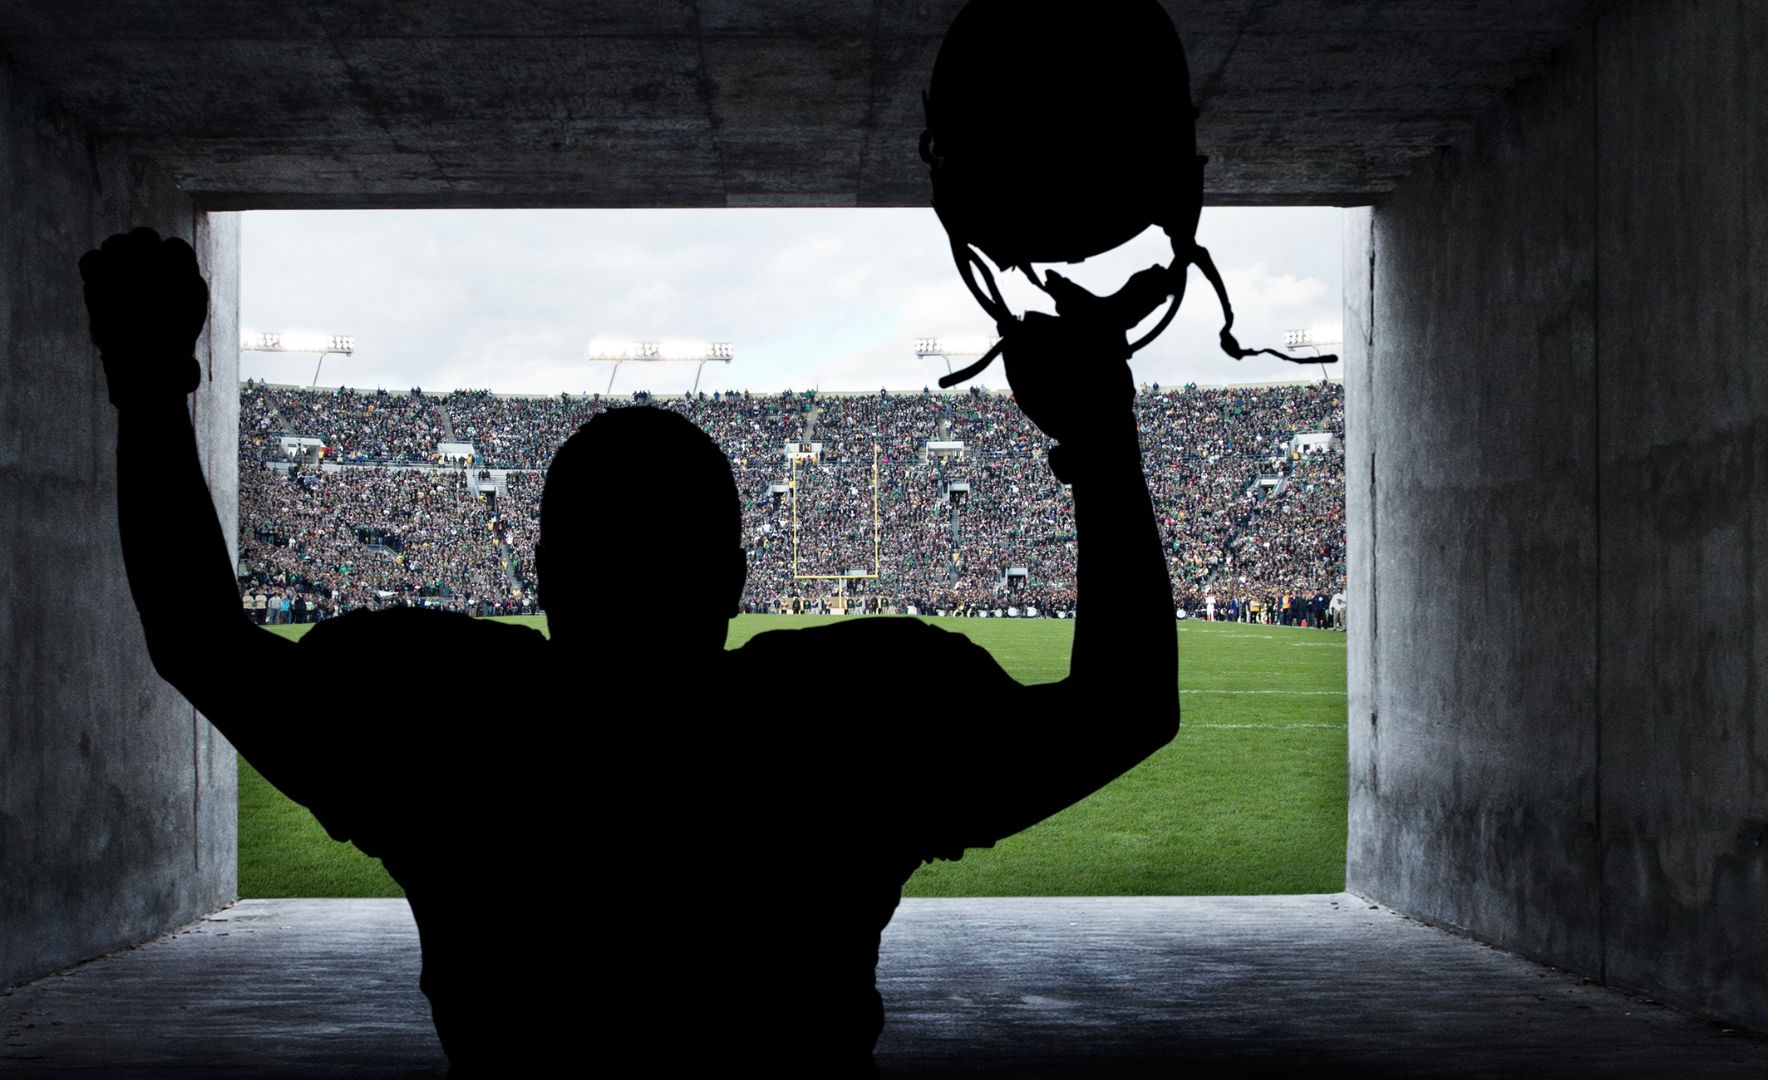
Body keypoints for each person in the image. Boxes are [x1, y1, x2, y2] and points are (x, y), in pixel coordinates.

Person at [82, 228, 1178, 1074]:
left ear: (544, 576)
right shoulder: (846, 718)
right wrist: (1098, 430)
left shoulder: (454, 721)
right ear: (735, 581)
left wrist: (149, 375)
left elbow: (198, 639)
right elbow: (1127, 707)